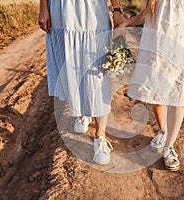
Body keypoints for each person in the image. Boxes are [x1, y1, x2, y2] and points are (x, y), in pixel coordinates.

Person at [116, 0, 184, 171]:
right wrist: (126, 23)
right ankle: (163, 130)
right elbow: (145, 14)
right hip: (154, 46)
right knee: (155, 93)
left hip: (179, 49)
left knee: (177, 99)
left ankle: (169, 147)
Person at [38, 0, 125, 165]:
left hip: (93, 15)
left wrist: (117, 9)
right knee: (70, 67)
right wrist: (43, 9)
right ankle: (83, 113)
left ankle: (100, 137)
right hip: (61, 13)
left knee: (97, 76)